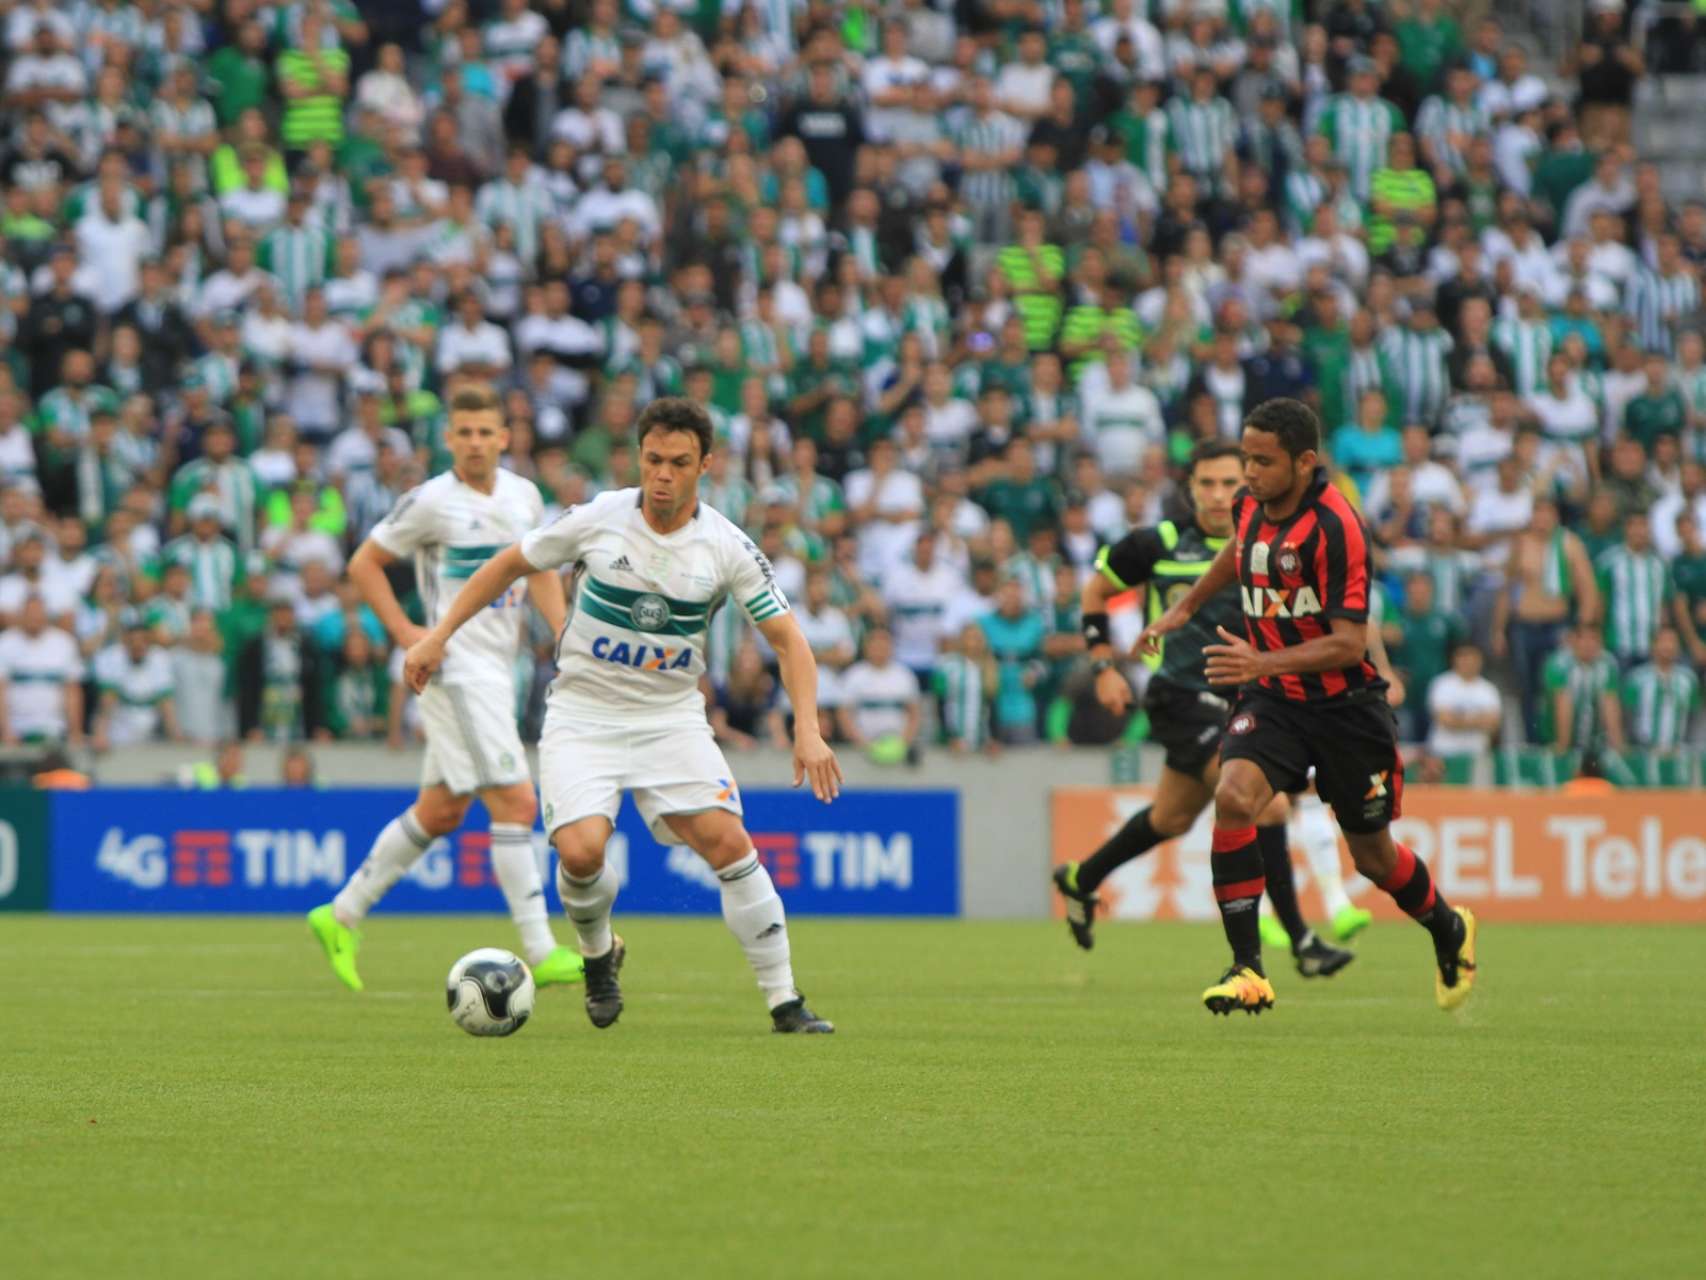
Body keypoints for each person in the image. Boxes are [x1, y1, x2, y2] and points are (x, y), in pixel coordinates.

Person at [404, 398, 841, 1035]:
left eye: (679, 463)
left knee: (728, 841)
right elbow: (509, 564)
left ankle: (785, 1002)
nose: (663, 475)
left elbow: (789, 640)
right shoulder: (599, 517)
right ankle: (598, 953)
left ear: (706, 465)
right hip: (583, 714)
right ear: (640, 458)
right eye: (654, 460)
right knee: (581, 853)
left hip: (671, 717)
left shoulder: (726, 545)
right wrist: (438, 633)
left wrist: (808, 729)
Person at [1139, 399, 1477, 1015]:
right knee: (1235, 796)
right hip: (1275, 701)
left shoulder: (1337, 527)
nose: (1249, 473)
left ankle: (1448, 927)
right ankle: (1248, 969)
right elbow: (1238, 550)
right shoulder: (1250, 505)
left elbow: (1349, 643)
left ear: (1304, 462)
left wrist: (1259, 662)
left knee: (1373, 858)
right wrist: (1185, 608)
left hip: (1346, 711)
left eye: (1262, 461)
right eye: (1245, 458)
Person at [307, 384, 583, 994]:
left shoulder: (523, 495)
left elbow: (535, 567)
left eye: (487, 432)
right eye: (465, 433)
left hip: (498, 668)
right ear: (449, 438)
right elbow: (363, 563)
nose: (476, 443)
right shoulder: (431, 501)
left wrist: (562, 632)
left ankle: (342, 913)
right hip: (455, 667)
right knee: (515, 803)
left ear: (505, 438)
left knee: (442, 809)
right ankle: (539, 949)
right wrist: (408, 631)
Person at [1052, 442, 1355, 977]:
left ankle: (1081, 878)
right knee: (1267, 804)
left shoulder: (1269, 543)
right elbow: (1094, 594)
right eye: (1206, 484)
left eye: (1229, 483)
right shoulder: (1158, 543)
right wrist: (1104, 669)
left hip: (1246, 697)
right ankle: (1303, 941)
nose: (1218, 495)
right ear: (1188, 487)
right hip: (1181, 697)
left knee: (1171, 817)